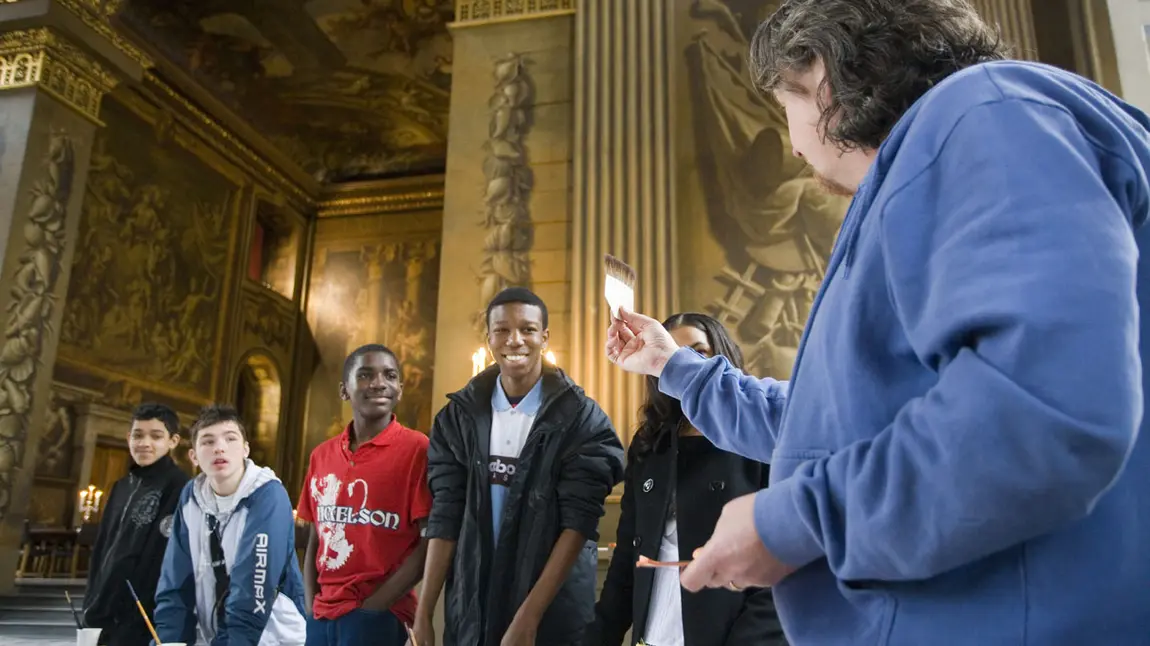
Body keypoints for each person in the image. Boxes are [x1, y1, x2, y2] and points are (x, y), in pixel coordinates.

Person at [605, 1, 1150, 644]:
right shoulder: (959, 140)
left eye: (785, 108)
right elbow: (831, 427)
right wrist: (673, 366)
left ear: (818, 78)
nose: (792, 142)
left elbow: (1039, 410)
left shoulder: (986, 110)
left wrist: (791, 522)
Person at [415, 287, 625, 646]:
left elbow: (579, 524)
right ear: (489, 338)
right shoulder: (457, 418)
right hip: (473, 606)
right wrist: (422, 617)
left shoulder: (582, 419)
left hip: (553, 610)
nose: (515, 340)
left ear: (545, 337)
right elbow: (446, 516)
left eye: (527, 329)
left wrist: (528, 618)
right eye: (502, 330)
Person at [589, 313, 785, 646]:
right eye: (672, 351)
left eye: (698, 352)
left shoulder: (759, 439)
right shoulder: (650, 444)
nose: (680, 362)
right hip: (656, 628)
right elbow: (627, 556)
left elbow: (780, 561)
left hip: (731, 630)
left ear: (721, 358)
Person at [297, 344, 431, 645]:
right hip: (321, 617)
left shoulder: (417, 450)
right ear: (345, 390)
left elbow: (428, 543)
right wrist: (310, 605)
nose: (379, 383)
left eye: (390, 375)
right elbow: (317, 538)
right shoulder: (322, 455)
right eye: (366, 375)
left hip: (381, 616)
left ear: (400, 388)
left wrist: (374, 607)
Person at [153, 404, 307, 645]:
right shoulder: (190, 498)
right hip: (212, 636)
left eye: (230, 438)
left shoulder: (268, 495)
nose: (219, 448)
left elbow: (253, 591)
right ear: (193, 456)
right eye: (207, 441)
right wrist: (169, 640)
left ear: (246, 449)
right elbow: (175, 581)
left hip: (271, 638)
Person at [82, 403, 189, 646]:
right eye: (138, 435)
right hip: (103, 605)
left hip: (140, 611)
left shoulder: (179, 486)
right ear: (128, 437)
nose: (144, 443)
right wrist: (91, 598)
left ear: (173, 441)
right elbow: (103, 547)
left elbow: (163, 554)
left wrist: (144, 607)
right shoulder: (121, 486)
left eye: (156, 436)